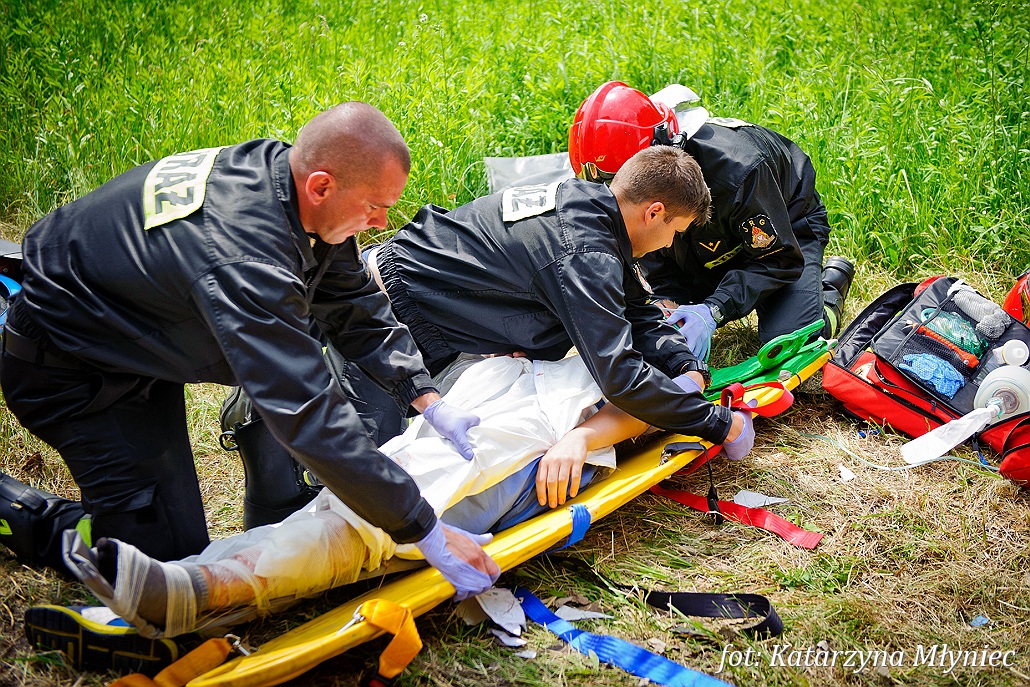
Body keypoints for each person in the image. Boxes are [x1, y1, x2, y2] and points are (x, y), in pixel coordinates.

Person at [0, 102, 498, 601]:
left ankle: (116, 524)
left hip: (136, 346)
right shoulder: (244, 257)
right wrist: (420, 527)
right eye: (374, 206)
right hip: (70, 367)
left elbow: (352, 302)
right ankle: (24, 515)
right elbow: (307, 415)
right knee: (156, 576)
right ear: (321, 186)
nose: (379, 221)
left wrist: (425, 396)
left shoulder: (293, 187)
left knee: (179, 558)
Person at [44, 354, 754, 650]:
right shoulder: (581, 271)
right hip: (484, 404)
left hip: (529, 445)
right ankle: (180, 592)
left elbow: (681, 392)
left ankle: (193, 590)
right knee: (347, 506)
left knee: (368, 521)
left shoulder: (663, 324)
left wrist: (583, 437)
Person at [367, 145, 751, 451]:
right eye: (675, 231)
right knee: (362, 468)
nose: (668, 244)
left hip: (432, 310)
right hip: (384, 313)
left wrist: (684, 363)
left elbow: (635, 309)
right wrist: (718, 423)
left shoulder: (591, 209)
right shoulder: (585, 252)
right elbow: (619, 374)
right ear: (653, 213)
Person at [568, 81, 855, 361]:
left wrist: (713, 309)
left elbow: (778, 259)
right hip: (705, 248)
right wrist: (664, 302)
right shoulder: (639, 194)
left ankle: (829, 290)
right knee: (657, 333)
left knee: (790, 344)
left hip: (782, 234)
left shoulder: (741, 173)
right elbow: (657, 264)